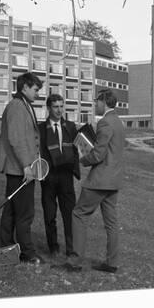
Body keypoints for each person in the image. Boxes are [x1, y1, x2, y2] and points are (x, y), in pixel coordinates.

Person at [62, 89, 125, 273]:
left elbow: (98, 154)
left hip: (100, 180)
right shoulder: (119, 122)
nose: (94, 104)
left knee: (79, 214)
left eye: (96, 100)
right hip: (114, 181)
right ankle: (112, 263)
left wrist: (82, 159)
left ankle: (75, 263)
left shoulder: (105, 122)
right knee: (111, 223)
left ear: (104, 101)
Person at [0, 72, 44, 265]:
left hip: (20, 168)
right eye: (35, 89)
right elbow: (16, 139)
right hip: (20, 169)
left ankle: (7, 248)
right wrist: (27, 165)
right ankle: (27, 252)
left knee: (12, 211)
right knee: (24, 213)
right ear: (24, 87)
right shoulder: (17, 106)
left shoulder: (22, 105)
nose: (38, 93)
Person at [38, 94, 81, 257]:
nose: (59, 110)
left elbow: (77, 150)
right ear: (48, 108)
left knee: (69, 214)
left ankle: (71, 249)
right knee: (50, 215)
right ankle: (53, 247)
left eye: (62, 106)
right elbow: (39, 153)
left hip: (66, 176)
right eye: (56, 106)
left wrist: (74, 169)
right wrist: (42, 174)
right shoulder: (41, 129)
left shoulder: (70, 126)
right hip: (48, 177)